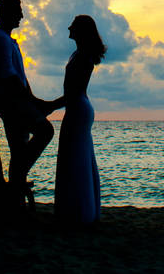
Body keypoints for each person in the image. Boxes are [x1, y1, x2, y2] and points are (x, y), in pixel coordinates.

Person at [0, 0, 63, 206]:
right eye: (17, 10)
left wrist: (35, 100)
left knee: (20, 146)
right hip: (10, 104)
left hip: (15, 102)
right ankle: (17, 181)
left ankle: (16, 191)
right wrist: (34, 102)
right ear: (7, 12)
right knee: (45, 131)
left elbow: (19, 78)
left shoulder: (6, 40)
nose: (21, 15)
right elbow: (9, 78)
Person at [54, 15, 106, 224]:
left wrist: (47, 106)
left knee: (75, 159)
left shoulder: (82, 57)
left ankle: (78, 213)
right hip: (78, 107)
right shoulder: (79, 55)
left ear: (81, 31)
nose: (69, 27)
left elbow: (73, 92)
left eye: (73, 25)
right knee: (77, 158)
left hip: (78, 108)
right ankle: (79, 211)